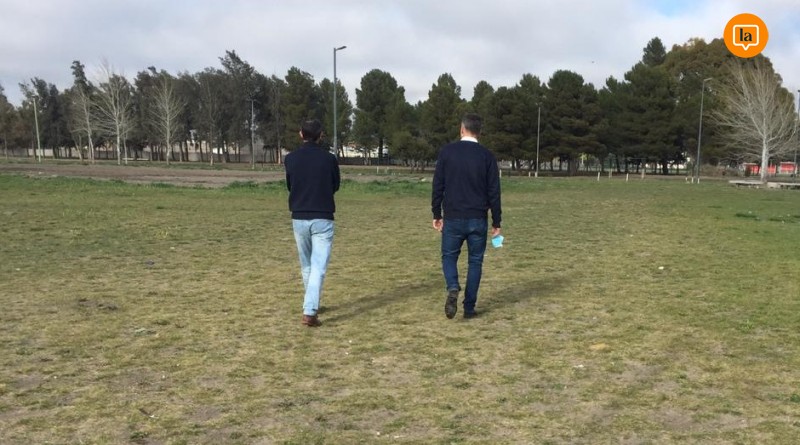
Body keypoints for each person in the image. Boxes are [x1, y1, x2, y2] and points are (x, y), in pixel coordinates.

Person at [431, 113, 502, 319]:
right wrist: (496, 221)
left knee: (449, 256)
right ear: (479, 132)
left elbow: (438, 185)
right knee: (475, 262)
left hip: (453, 216)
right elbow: (494, 192)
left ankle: (453, 286)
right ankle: (469, 308)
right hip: (478, 218)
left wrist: (436, 213)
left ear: (462, 129)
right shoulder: (487, 156)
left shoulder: (447, 152)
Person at [284, 119, 341, 327]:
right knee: (318, 266)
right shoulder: (329, 159)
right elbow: (335, 185)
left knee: (307, 265)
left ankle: (312, 303)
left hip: (299, 216)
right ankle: (309, 311)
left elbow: (290, 185)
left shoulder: (290, 158)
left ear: (301, 134)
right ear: (321, 135)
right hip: (323, 216)